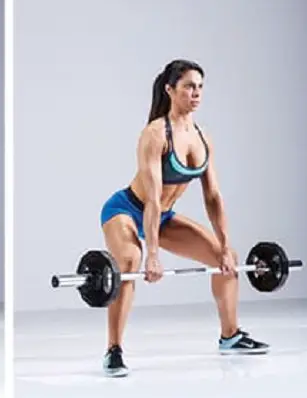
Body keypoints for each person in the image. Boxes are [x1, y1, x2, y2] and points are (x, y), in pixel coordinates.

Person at [98, 59, 269, 377]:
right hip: (127, 210)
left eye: (200, 87)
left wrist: (225, 243)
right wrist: (151, 255)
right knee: (129, 262)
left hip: (162, 217)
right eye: (189, 86)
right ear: (170, 90)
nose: (196, 93)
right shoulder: (154, 134)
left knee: (224, 259)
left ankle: (230, 336)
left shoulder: (203, 137)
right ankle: (113, 350)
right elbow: (151, 197)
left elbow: (213, 196)